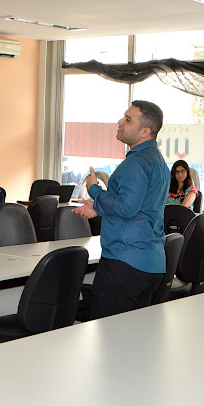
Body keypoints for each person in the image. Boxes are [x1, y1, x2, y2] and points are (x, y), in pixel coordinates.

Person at [73, 100, 171, 319]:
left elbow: (127, 207)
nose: (120, 122)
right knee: (135, 333)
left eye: (128, 120)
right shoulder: (157, 161)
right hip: (150, 262)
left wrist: (95, 190)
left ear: (145, 131)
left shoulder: (136, 163)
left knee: (108, 333)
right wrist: (100, 207)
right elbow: (141, 205)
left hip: (125, 262)